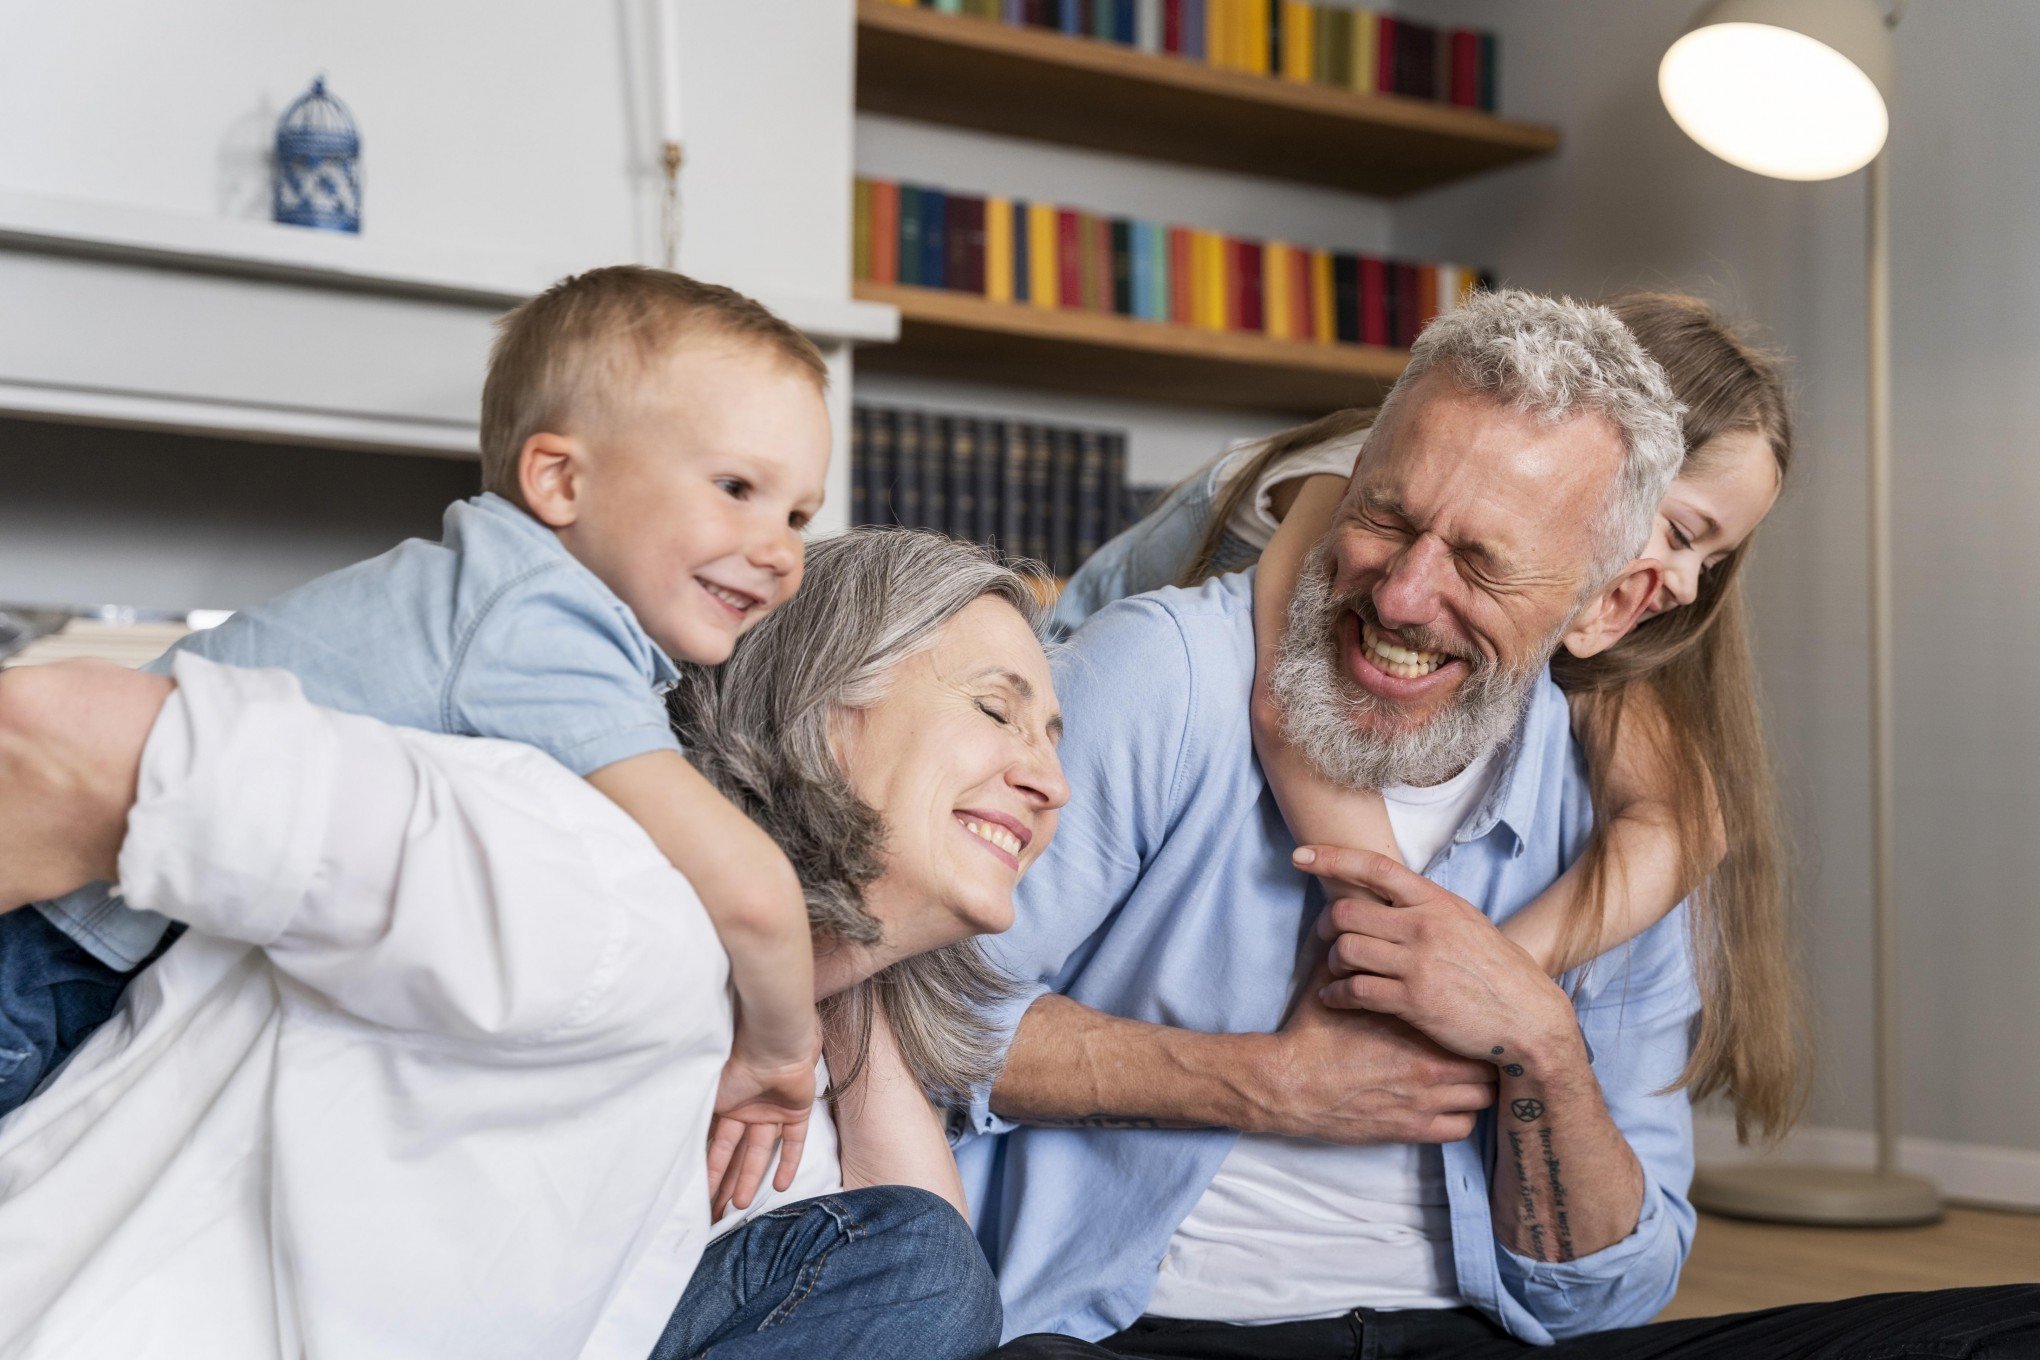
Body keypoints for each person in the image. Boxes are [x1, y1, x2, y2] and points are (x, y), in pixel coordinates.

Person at [957, 291, 2040, 1357]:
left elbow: (1611, 1294)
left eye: (1708, 555)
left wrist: (1532, 1026)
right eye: (1388, 521)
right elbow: (916, 1018)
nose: (1681, 578)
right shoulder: (1187, 655)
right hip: (1155, 1323)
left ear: (1602, 596)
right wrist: (1273, 1074)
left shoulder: (1621, 798)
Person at [0, 528, 1067, 1359]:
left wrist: (841, 965)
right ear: (825, 710)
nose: (1048, 779)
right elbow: (54, 733)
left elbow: (916, 1284)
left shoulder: (774, 1077)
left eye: (1055, 742)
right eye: (997, 711)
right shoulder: (567, 865)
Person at [0, 267, 829, 1177]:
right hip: (48, 951)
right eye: (736, 488)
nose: (780, 550)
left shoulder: (488, 595)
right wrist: (783, 1059)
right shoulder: (540, 624)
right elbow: (750, 892)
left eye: (798, 513)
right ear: (558, 480)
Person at [1063, 292, 1804, 1142]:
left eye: (1714, 559)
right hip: (1055, 689)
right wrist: (1403, 973)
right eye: (1679, 532)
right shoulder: (1365, 483)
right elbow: (1286, 711)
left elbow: (1688, 821)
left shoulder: (1577, 619)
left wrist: (1495, 976)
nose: (1685, 583)